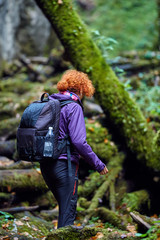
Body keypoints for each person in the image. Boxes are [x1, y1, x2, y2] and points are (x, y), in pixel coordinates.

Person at [40, 69, 108, 228]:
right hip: (64, 165)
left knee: (64, 208)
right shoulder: (73, 106)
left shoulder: (50, 103)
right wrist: (98, 164)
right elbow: (79, 141)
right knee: (68, 210)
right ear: (82, 89)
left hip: (45, 164)